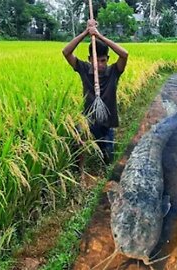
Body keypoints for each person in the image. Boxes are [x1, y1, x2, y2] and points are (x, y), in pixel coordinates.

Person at [62, 19, 128, 165]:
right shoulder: (84, 69)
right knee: (78, 138)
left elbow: (124, 54)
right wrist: (86, 32)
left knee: (108, 159)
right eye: (95, 60)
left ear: (108, 60)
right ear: (89, 59)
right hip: (88, 120)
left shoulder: (113, 71)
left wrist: (100, 36)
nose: (99, 64)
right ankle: (80, 172)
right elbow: (66, 52)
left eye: (103, 60)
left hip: (107, 121)